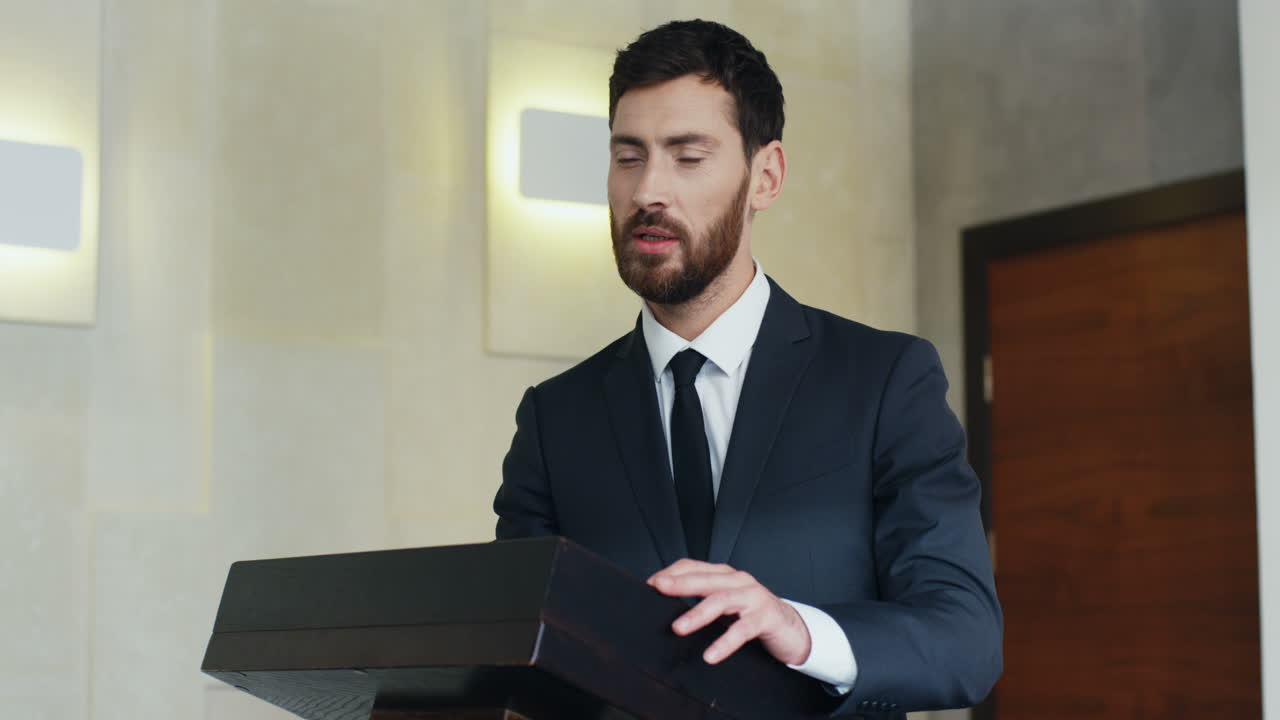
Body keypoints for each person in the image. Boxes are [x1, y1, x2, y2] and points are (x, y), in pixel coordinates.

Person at [493, 19, 1001, 717]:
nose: (649, 191)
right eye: (628, 157)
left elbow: (964, 639)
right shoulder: (555, 420)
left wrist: (799, 631)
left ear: (766, 176)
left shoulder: (885, 381)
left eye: (688, 157)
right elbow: (516, 655)